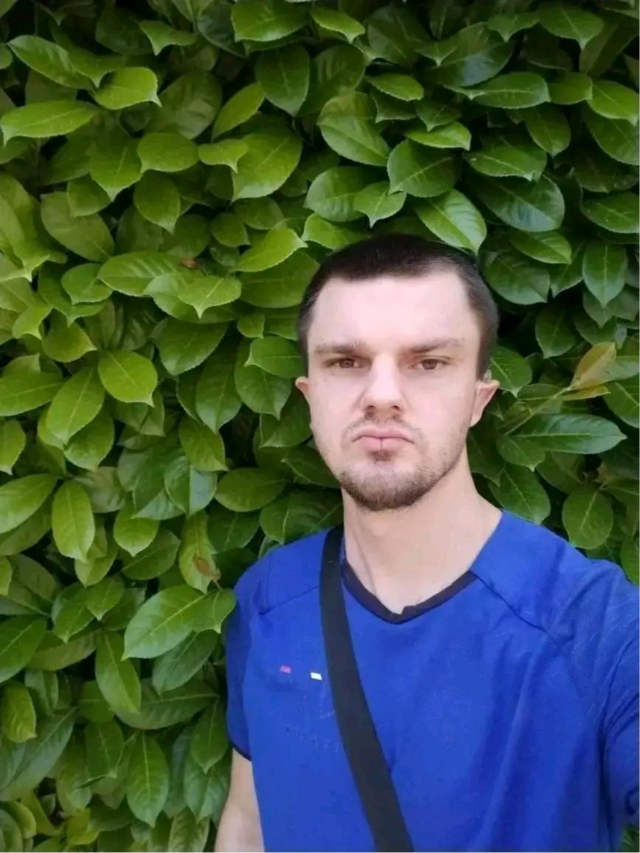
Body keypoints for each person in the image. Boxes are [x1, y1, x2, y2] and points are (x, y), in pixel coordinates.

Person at [215, 234, 639, 852]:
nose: (382, 394)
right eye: (346, 362)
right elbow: (249, 820)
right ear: (310, 398)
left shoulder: (598, 629)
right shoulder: (268, 599)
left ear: (477, 399)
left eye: (429, 362)